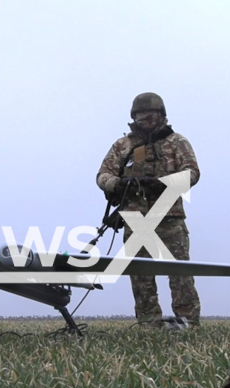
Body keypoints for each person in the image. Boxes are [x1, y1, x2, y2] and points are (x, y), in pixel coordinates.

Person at [96, 92, 201, 328]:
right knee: (141, 275)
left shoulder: (177, 142)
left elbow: (193, 173)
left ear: (161, 115)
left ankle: (188, 323)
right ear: (134, 117)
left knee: (180, 274)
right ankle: (148, 323)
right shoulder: (122, 145)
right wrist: (118, 183)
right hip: (136, 220)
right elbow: (102, 175)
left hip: (169, 219)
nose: (146, 119)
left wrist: (163, 182)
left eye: (151, 115)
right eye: (141, 116)